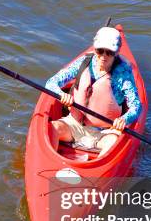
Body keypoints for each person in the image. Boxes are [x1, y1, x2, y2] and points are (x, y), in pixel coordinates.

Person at [45, 27, 142, 156]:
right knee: (53, 128)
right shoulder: (84, 63)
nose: (103, 56)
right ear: (95, 49)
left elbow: (136, 106)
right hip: (75, 125)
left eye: (109, 52)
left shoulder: (123, 74)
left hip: (105, 132)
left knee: (113, 144)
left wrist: (124, 119)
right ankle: (51, 162)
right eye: (100, 50)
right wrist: (61, 94)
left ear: (117, 52)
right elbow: (51, 83)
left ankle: (99, 172)